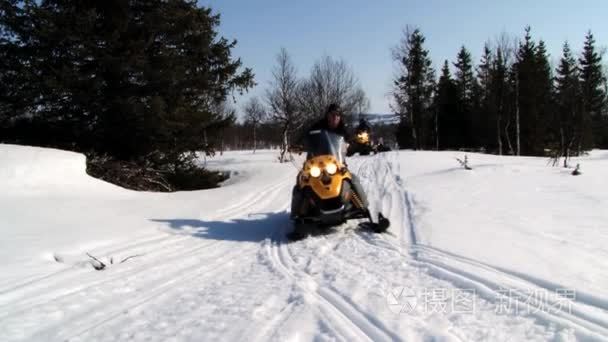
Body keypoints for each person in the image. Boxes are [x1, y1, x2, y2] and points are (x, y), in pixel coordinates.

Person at [290, 103, 368, 220]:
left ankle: (364, 208)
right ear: (327, 115)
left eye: (337, 115)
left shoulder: (342, 129)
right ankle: (298, 214)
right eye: (332, 115)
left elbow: (349, 142)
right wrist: (299, 145)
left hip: (336, 163)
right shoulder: (318, 126)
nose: (335, 118)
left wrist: (356, 142)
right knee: (301, 181)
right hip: (316, 164)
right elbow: (306, 136)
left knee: (352, 179)